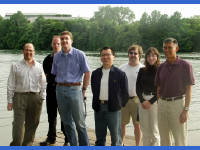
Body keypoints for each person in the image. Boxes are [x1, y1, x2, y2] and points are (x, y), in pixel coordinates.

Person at [51, 31, 90, 146]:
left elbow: (87, 73)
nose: (64, 41)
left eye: (66, 38)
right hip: (60, 90)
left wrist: (84, 90)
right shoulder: (57, 56)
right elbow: (54, 73)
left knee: (80, 123)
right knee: (67, 122)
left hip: (75, 90)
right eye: (62, 39)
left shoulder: (80, 54)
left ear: (71, 40)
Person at [155, 37, 195, 146]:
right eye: (164, 48)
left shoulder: (186, 66)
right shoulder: (161, 67)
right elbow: (158, 88)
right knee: (164, 139)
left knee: (180, 139)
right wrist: (160, 103)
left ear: (176, 48)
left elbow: (189, 89)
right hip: (162, 105)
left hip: (178, 105)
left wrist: (185, 110)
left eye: (169, 47)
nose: (167, 50)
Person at [7, 43, 46, 146]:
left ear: (34, 52)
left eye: (31, 50)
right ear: (22, 51)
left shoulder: (39, 66)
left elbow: (43, 83)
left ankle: (27, 145)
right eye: (26, 50)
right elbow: (11, 84)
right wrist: (10, 101)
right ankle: (16, 145)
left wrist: (42, 97)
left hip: (35, 97)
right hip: (19, 97)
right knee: (18, 125)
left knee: (33, 124)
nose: (28, 52)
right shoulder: (15, 66)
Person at [91, 47, 129, 146]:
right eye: (103, 55)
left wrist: (119, 105)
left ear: (113, 57)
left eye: (108, 54)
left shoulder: (120, 74)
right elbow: (94, 90)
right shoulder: (95, 74)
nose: (105, 57)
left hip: (114, 109)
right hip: (98, 108)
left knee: (116, 137)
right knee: (99, 137)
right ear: (100, 57)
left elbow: (125, 94)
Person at [40, 36, 69, 146]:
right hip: (51, 90)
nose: (56, 45)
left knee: (64, 116)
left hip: (63, 91)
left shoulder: (66, 58)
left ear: (61, 45)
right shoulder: (47, 59)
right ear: (51, 45)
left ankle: (67, 139)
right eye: (54, 43)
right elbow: (46, 76)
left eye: (58, 44)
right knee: (51, 115)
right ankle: (51, 138)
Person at [119, 44, 143, 146]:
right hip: (123, 100)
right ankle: (121, 144)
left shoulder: (143, 68)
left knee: (137, 126)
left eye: (135, 53)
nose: (133, 55)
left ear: (139, 55)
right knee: (121, 124)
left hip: (137, 100)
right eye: (131, 53)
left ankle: (137, 145)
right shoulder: (122, 68)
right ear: (128, 54)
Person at [136, 47, 160, 146]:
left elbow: (161, 89)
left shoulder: (160, 69)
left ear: (157, 57)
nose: (151, 58)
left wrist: (150, 102)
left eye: (154, 55)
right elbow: (138, 87)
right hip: (143, 101)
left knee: (154, 130)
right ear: (146, 57)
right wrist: (142, 100)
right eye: (149, 56)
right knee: (145, 130)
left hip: (155, 102)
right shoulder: (142, 70)